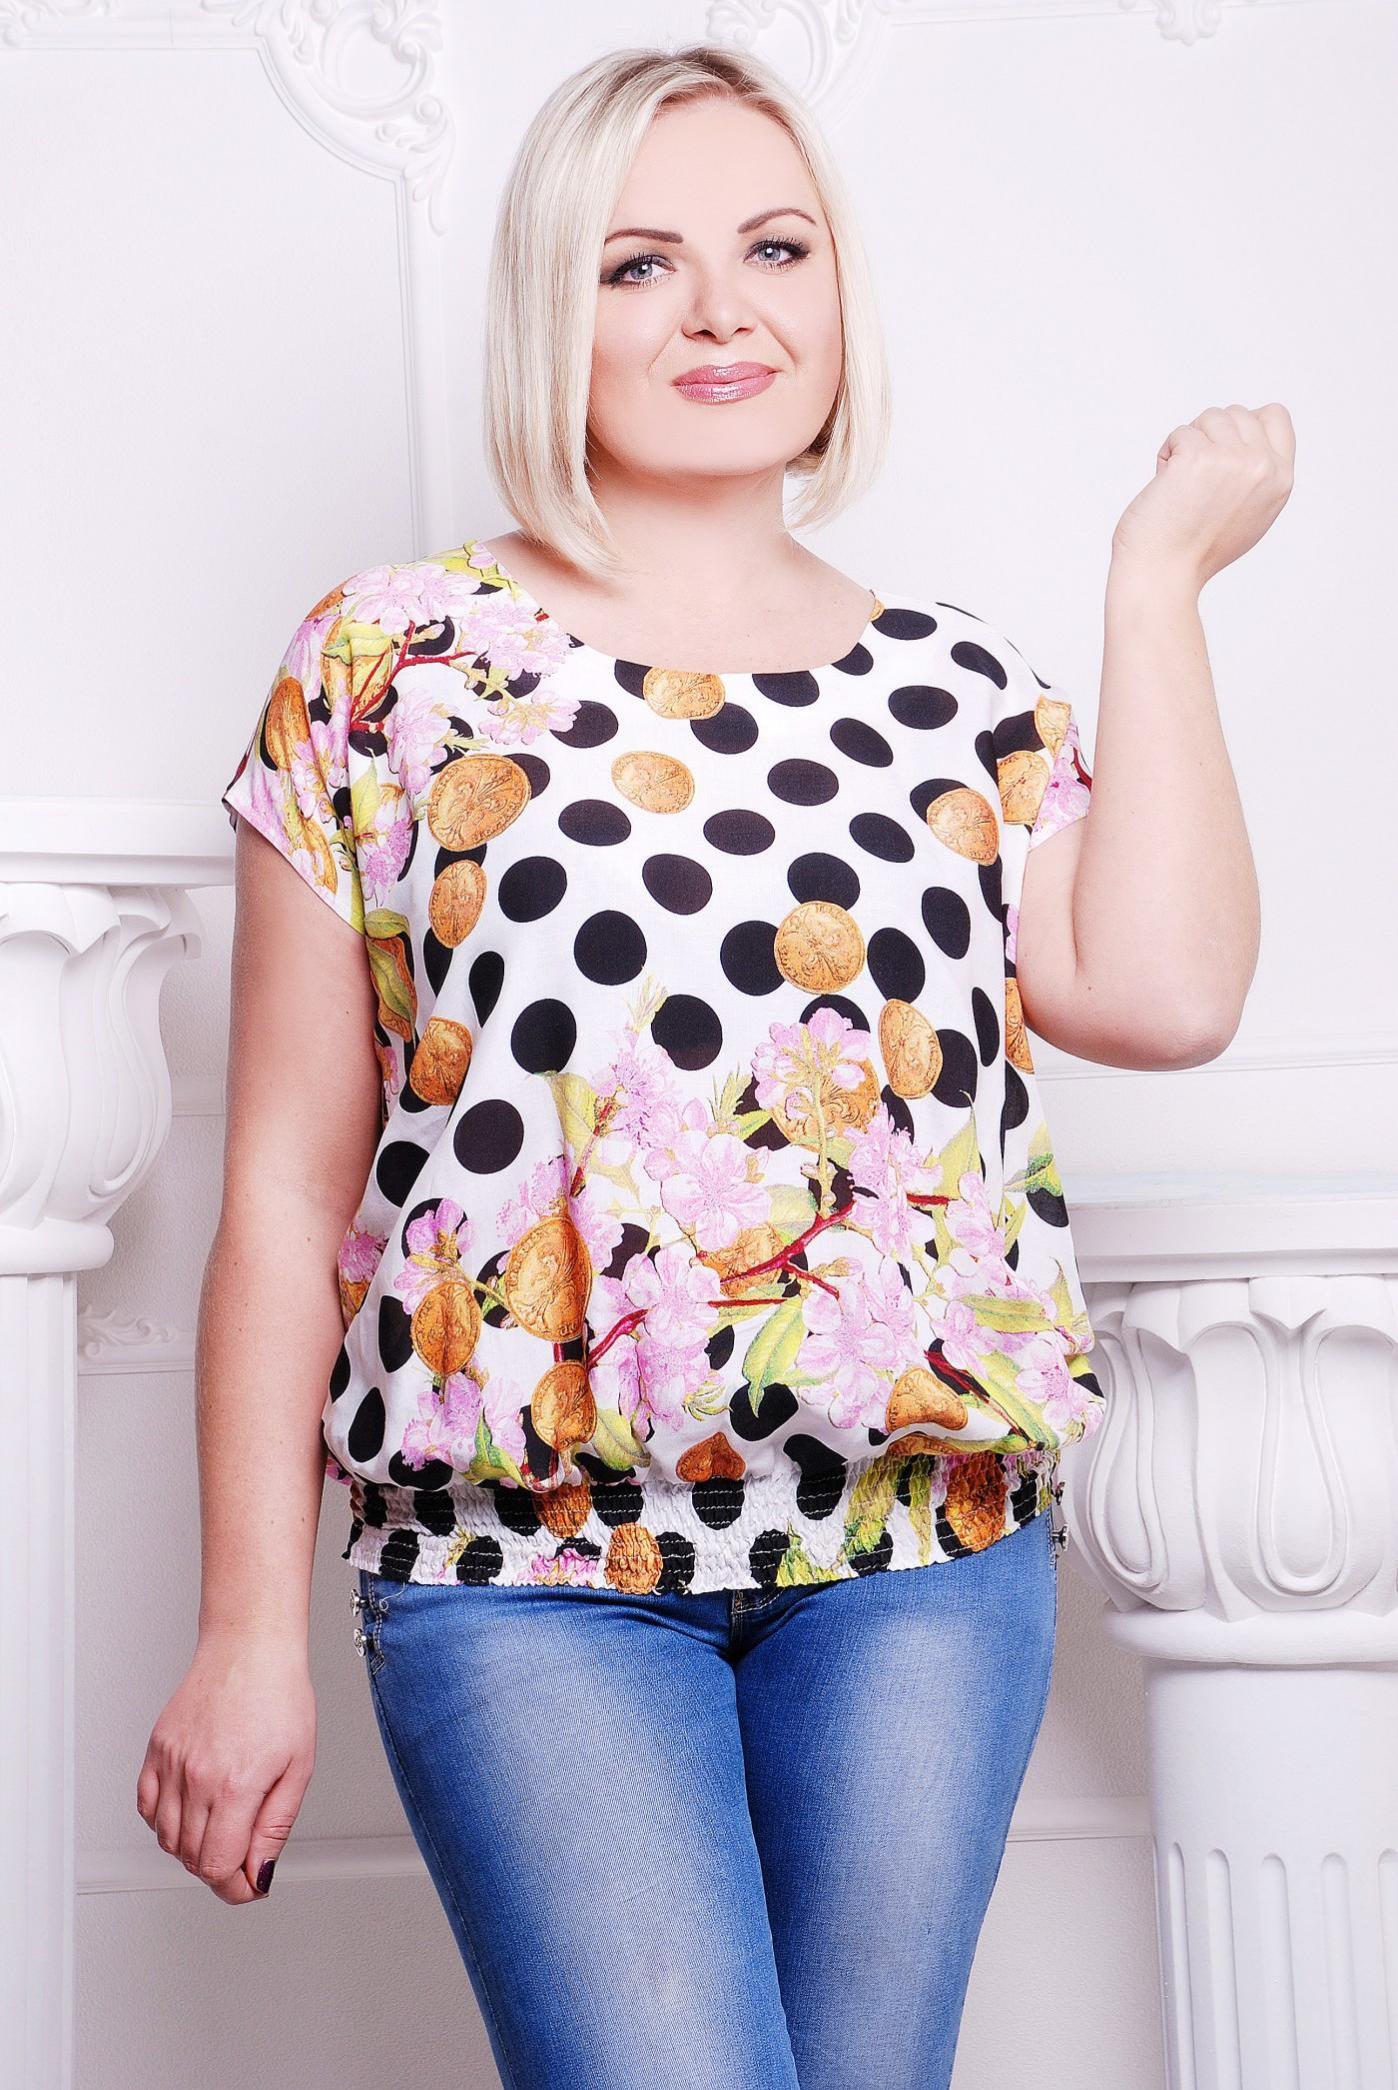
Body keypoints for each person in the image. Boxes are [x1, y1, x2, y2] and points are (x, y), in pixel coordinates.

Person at [137, 38, 1285, 2090]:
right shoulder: (385, 667)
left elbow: (1170, 991)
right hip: (524, 1576)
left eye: (774, 247)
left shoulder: (956, 688)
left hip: (921, 1562)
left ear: (838, 292)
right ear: (550, 306)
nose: (719, 311)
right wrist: (243, 1633)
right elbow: (286, 1194)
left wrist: (1156, 577)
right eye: (637, 263)